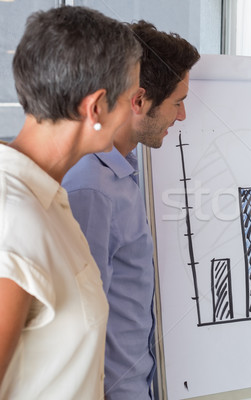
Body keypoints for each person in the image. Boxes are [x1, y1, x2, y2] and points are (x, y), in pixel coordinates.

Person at [0, 6, 141, 399]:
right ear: (96, 107)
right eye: (132, 98)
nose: (136, 111)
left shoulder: (48, 200)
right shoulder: (13, 218)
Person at [62, 20, 200, 399]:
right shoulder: (90, 188)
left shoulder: (129, 173)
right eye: (178, 103)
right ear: (139, 100)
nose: (182, 116)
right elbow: (77, 325)